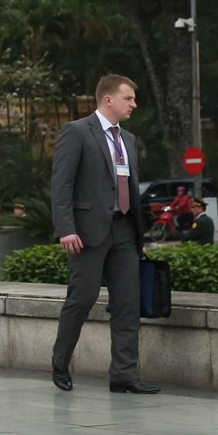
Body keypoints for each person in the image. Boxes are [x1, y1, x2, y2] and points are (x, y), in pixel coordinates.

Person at [49, 74, 154, 393]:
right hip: (87, 232)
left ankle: (124, 375)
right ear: (108, 99)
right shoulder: (77, 132)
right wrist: (66, 228)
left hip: (124, 231)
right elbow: (62, 183)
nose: (134, 104)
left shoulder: (129, 140)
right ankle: (60, 364)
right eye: (128, 98)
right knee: (82, 299)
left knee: (127, 304)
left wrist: (140, 236)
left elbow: (131, 188)